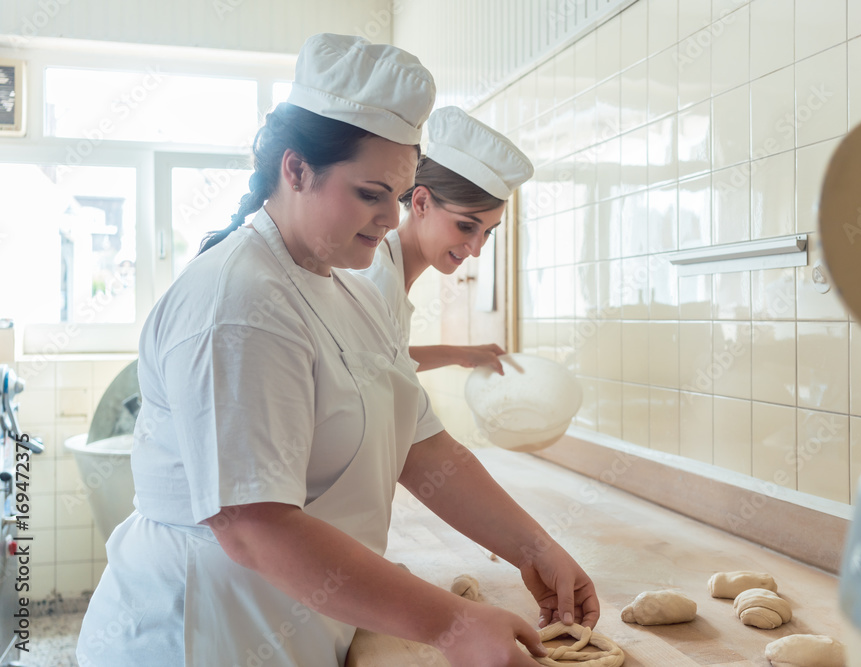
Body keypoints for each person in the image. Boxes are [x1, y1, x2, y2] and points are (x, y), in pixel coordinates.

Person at [76, 34, 598, 667]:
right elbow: (252, 525)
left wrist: (533, 547)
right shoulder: (241, 303)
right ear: (297, 169)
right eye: (370, 193)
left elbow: (419, 444)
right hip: (204, 633)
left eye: (398, 197)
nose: (388, 218)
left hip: (291, 625)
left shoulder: (345, 290)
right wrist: (455, 624)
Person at [355, 106, 533, 375]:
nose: (476, 250)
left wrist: (460, 354)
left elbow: (385, 357)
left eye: (488, 232)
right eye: (465, 226)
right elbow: (370, 373)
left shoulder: (392, 266)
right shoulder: (377, 275)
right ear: (422, 202)